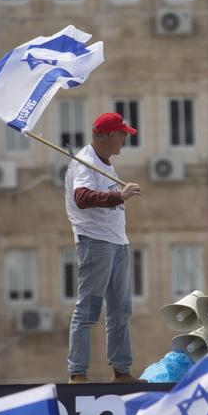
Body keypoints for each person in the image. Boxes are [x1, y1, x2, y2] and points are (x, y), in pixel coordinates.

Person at [65, 112, 143, 383]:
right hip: (95, 242)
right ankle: (77, 373)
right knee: (88, 309)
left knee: (120, 309)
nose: (124, 140)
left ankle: (121, 371)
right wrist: (119, 196)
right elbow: (82, 197)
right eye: (122, 135)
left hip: (116, 242)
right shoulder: (86, 162)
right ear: (110, 136)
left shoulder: (104, 162)